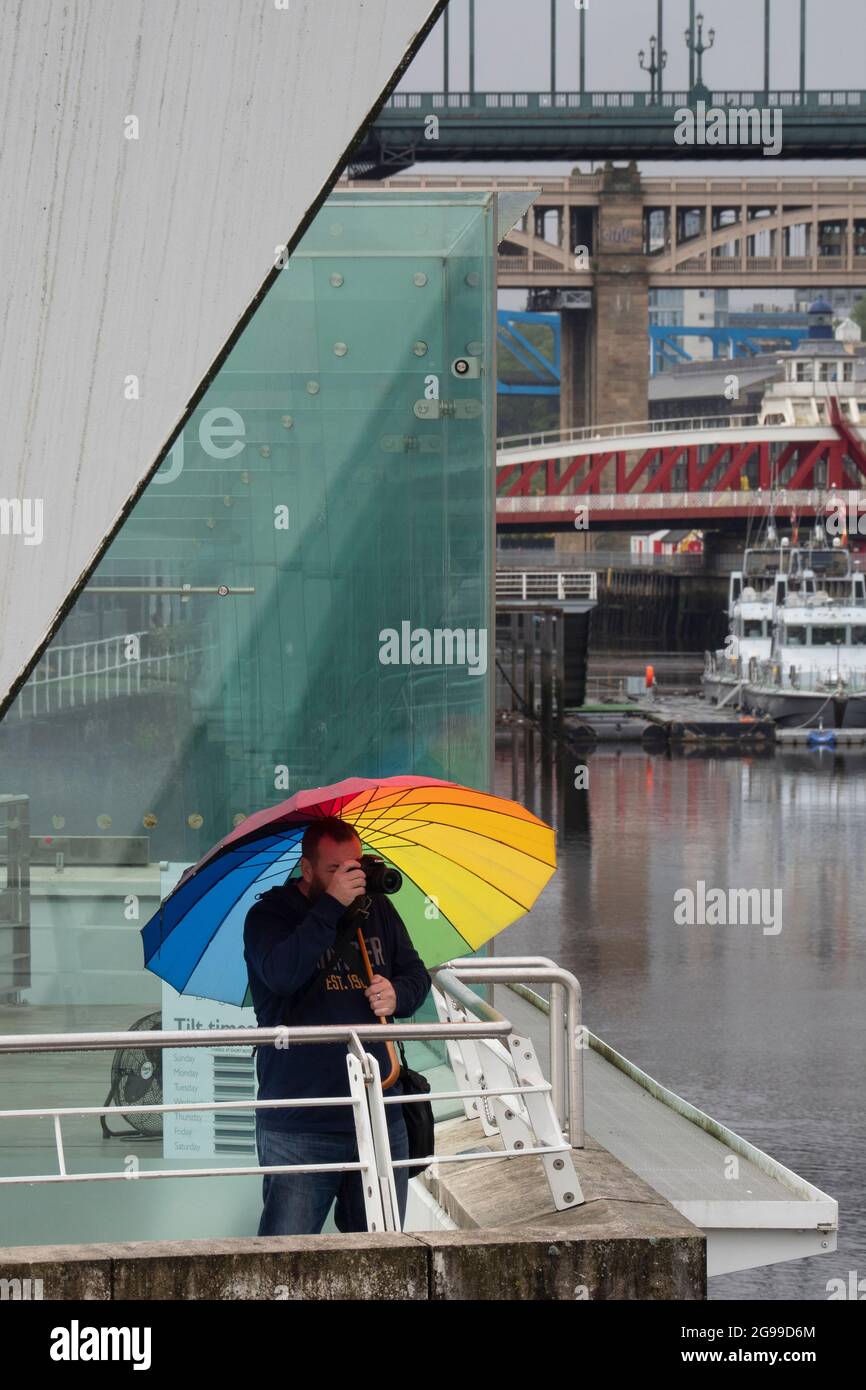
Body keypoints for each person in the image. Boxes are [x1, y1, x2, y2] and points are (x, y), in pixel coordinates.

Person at [243, 816, 432, 1235]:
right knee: (284, 1258)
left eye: (355, 866)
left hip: (381, 1110)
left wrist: (399, 994)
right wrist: (331, 907)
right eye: (335, 870)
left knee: (382, 1257)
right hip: (301, 1121)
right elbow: (281, 975)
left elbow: (417, 975)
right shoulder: (269, 916)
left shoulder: (376, 907)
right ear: (306, 870)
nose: (350, 878)